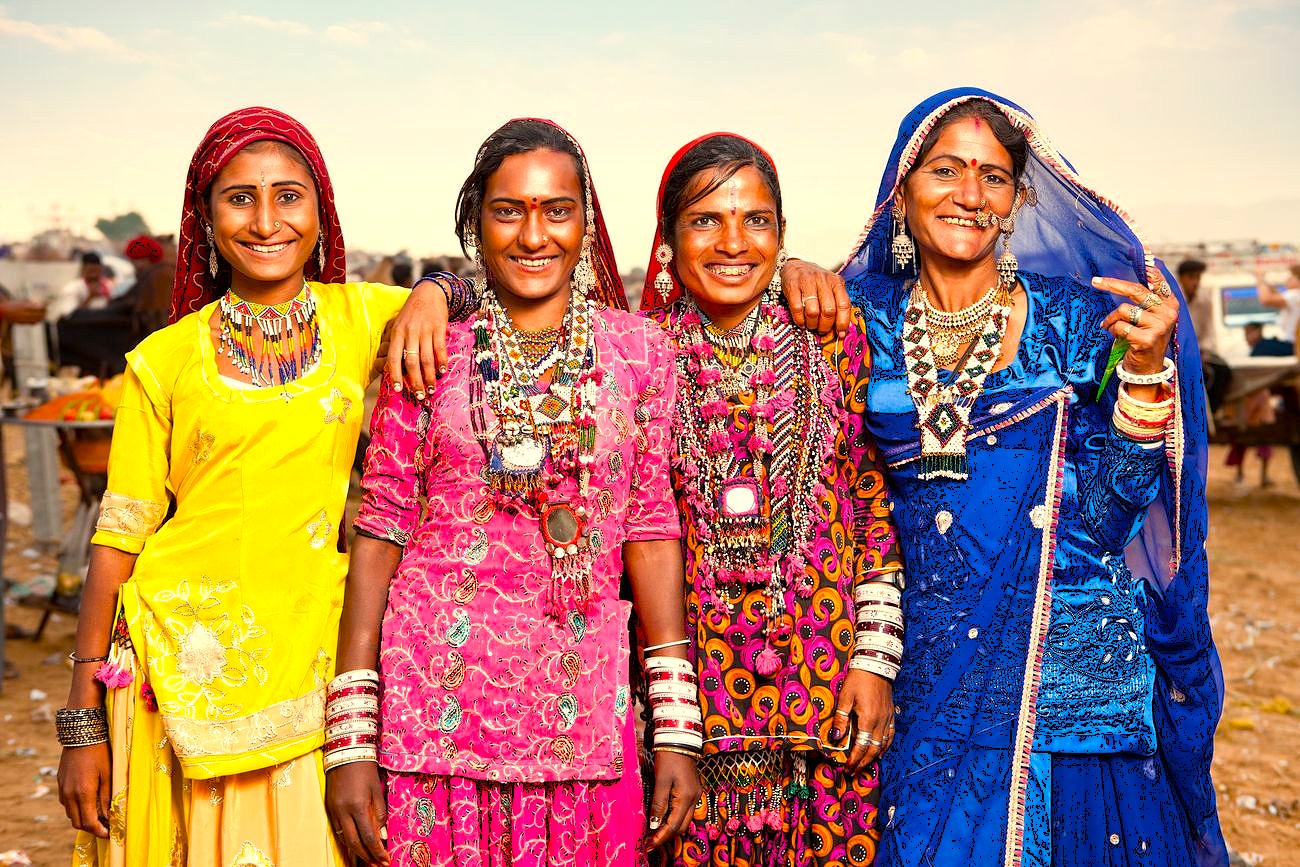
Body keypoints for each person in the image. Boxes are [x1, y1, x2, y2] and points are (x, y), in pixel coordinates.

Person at [811, 88, 1224, 866]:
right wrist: (794, 273)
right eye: (945, 170)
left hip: (1069, 677)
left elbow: (1107, 513)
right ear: (902, 191)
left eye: (992, 176)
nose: (969, 194)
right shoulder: (853, 316)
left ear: (1017, 198)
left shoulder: (1076, 319)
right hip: (927, 678)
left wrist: (1142, 374)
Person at [55, 107, 445, 867]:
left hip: (310, 667)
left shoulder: (360, 317)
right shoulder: (162, 361)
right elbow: (118, 540)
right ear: (204, 217)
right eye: (239, 198)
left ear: (321, 211)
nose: (267, 220)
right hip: (171, 676)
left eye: (288, 196)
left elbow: (470, 300)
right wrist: (83, 724)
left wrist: (433, 288)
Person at [324, 118, 700, 867]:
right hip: (434, 713)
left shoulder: (639, 351)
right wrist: (351, 735)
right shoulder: (430, 348)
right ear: (477, 223)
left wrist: (676, 723)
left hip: (581, 709)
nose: (535, 234)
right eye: (509, 210)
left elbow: (650, 529)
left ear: (585, 222)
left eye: (556, 209)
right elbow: (381, 529)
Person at [639, 133, 905, 867]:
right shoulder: (640, 359)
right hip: (692, 721)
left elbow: (871, 506)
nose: (733, 242)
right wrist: (671, 721)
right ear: (666, 241)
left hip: (827, 703)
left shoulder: (835, 341)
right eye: (704, 220)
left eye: (755, 220)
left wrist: (875, 661)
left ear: (783, 237)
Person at [1179, 259, 1232, 412]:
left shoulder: (1204, 301)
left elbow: (1209, 332)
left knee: (1222, 371)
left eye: (1198, 277)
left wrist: (1204, 351)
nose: (1195, 282)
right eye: (1191, 277)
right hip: (1177, 353)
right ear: (1181, 278)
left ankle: (1210, 414)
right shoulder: (1172, 298)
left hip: (1199, 353)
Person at [47, 252, 114, 322]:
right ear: (83, 269)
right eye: (91, 271)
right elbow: (71, 316)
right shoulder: (74, 288)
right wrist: (90, 297)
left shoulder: (107, 286)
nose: (94, 276)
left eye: (98, 272)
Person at [1251, 264, 1300, 355]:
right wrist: (1266, 283)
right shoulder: (1294, 296)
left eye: (1291, 277)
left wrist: (1260, 278)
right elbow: (1275, 295)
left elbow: (1266, 300)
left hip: (1293, 345)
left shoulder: (1295, 294)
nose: (1287, 280)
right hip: (1293, 344)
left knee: (1261, 345)